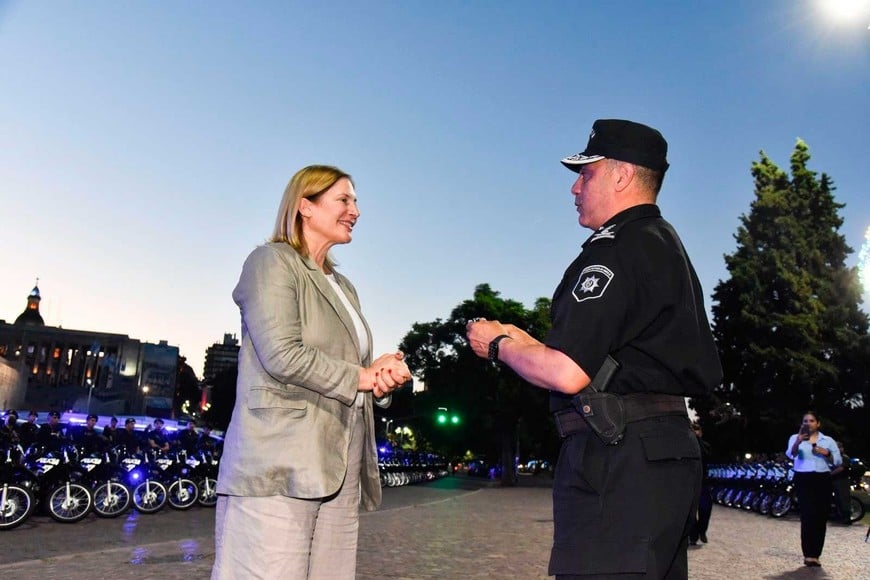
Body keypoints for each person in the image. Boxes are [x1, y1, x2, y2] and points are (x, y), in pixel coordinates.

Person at [467, 119, 722, 579]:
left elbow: (567, 372)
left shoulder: (614, 249)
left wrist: (497, 346)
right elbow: (609, 358)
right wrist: (524, 340)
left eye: (586, 173)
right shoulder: (661, 243)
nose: (574, 187)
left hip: (617, 459)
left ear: (622, 176)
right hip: (661, 455)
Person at [212, 164, 411, 580]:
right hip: (279, 466)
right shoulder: (270, 262)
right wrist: (363, 377)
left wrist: (380, 379)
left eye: (355, 201)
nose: (355, 210)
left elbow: (352, 370)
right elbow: (282, 354)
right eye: (344, 199)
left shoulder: (344, 286)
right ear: (305, 206)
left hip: (339, 466)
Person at [786, 411, 841, 566]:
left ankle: (816, 554)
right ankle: (808, 553)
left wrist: (826, 453)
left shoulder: (828, 440)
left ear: (818, 423)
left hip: (822, 478)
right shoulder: (795, 438)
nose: (808, 423)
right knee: (808, 514)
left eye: (811, 420)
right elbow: (791, 455)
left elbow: (837, 461)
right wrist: (797, 441)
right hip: (803, 478)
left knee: (820, 516)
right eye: (805, 421)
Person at [689, 422, 713, 545]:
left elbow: (706, 454)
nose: (695, 431)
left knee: (705, 509)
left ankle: (702, 530)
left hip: (703, 482)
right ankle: (693, 534)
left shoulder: (705, 445)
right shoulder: (686, 445)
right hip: (689, 483)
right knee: (690, 511)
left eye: (697, 429)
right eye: (693, 429)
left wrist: (697, 439)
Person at [829, 440, 852, 525]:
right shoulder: (835, 457)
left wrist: (830, 473)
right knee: (837, 498)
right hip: (835, 480)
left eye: (838, 448)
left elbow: (841, 468)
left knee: (844, 499)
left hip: (842, 480)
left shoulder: (845, 457)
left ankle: (847, 518)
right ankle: (839, 516)